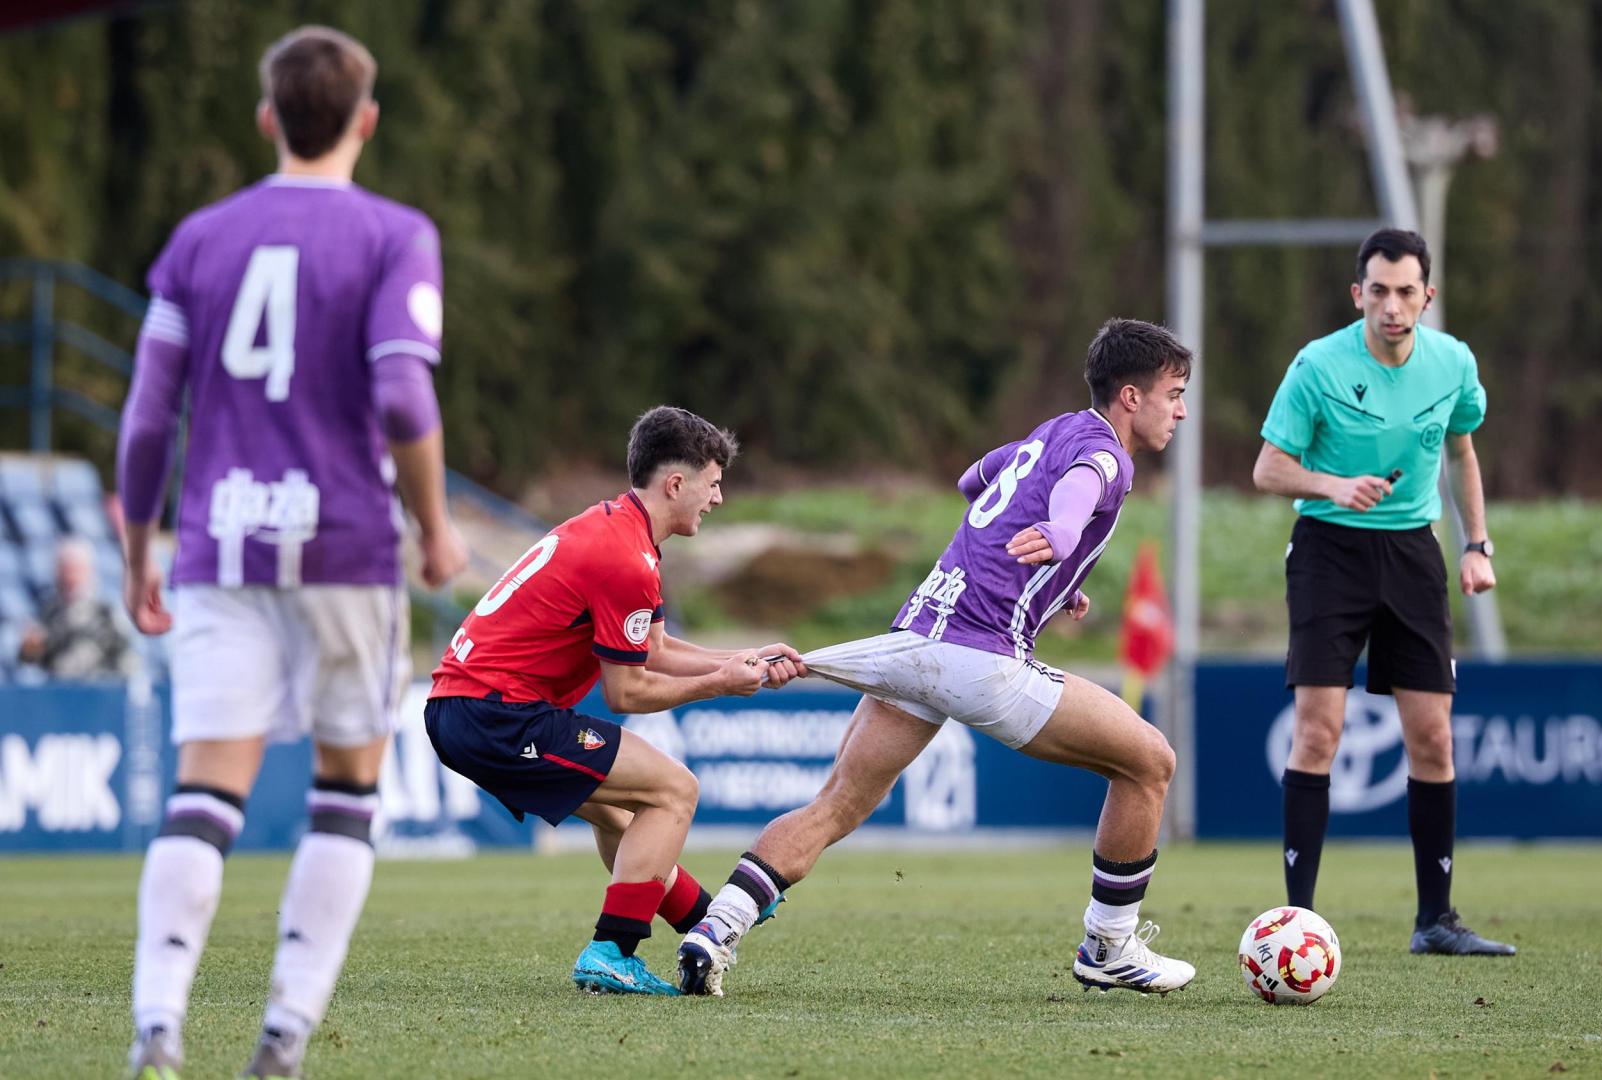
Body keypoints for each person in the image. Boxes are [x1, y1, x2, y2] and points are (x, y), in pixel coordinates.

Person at [116, 26, 469, 1080]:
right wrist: (435, 523)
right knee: (347, 788)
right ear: (366, 120)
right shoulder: (395, 234)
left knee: (205, 791)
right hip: (345, 545)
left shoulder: (199, 239)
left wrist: (141, 544)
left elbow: (146, 418)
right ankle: (282, 1036)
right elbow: (404, 392)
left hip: (221, 543)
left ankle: (156, 1024)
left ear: (268, 118)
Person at [676, 318, 1194, 998]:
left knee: (836, 806)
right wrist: (1063, 535)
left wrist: (1052, 578)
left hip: (917, 639)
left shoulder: (1048, 434)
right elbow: (1082, 490)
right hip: (981, 658)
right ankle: (1110, 945)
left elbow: (973, 480)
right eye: (1175, 393)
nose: (1181, 410)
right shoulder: (1107, 456)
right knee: (1150, 763)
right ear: (1131, 396)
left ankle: (712, 932)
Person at [426, 405, 807, 995]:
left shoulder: (616, 530)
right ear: (675, 484)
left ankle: (697, 920)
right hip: (495, 713)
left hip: (464, 708)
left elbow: (650, 648)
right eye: (713, 485)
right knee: (675, 789)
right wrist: (722, 684)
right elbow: (626, 690)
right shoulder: (627, 559)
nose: (718, 499)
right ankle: (611, 950)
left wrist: (740, 660)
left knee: (622, 814)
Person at [1251, 228, 1513, 957]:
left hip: (1413, 555)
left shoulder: (1454, 362)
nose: (1392, 306)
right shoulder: (1318, 365)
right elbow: (1268, 469)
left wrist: (1476, 543)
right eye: (1378, 291)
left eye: (1406, 292)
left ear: (1427, 295)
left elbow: (1462, 450)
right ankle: (1294, 924)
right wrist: (1332, 484)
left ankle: (1437, 921)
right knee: (1318, 732)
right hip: (1328, 553)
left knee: (1432, 737)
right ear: (1356, 293)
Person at [16, 537, 138, 679]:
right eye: (65, 570)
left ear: (89, 571)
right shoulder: (46, 613)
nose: (70, 578)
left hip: (98, 692)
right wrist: (30, 649)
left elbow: (126, 660)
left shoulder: (106, 612)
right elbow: (29, 662)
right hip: (58, 693)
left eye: (76, 570)